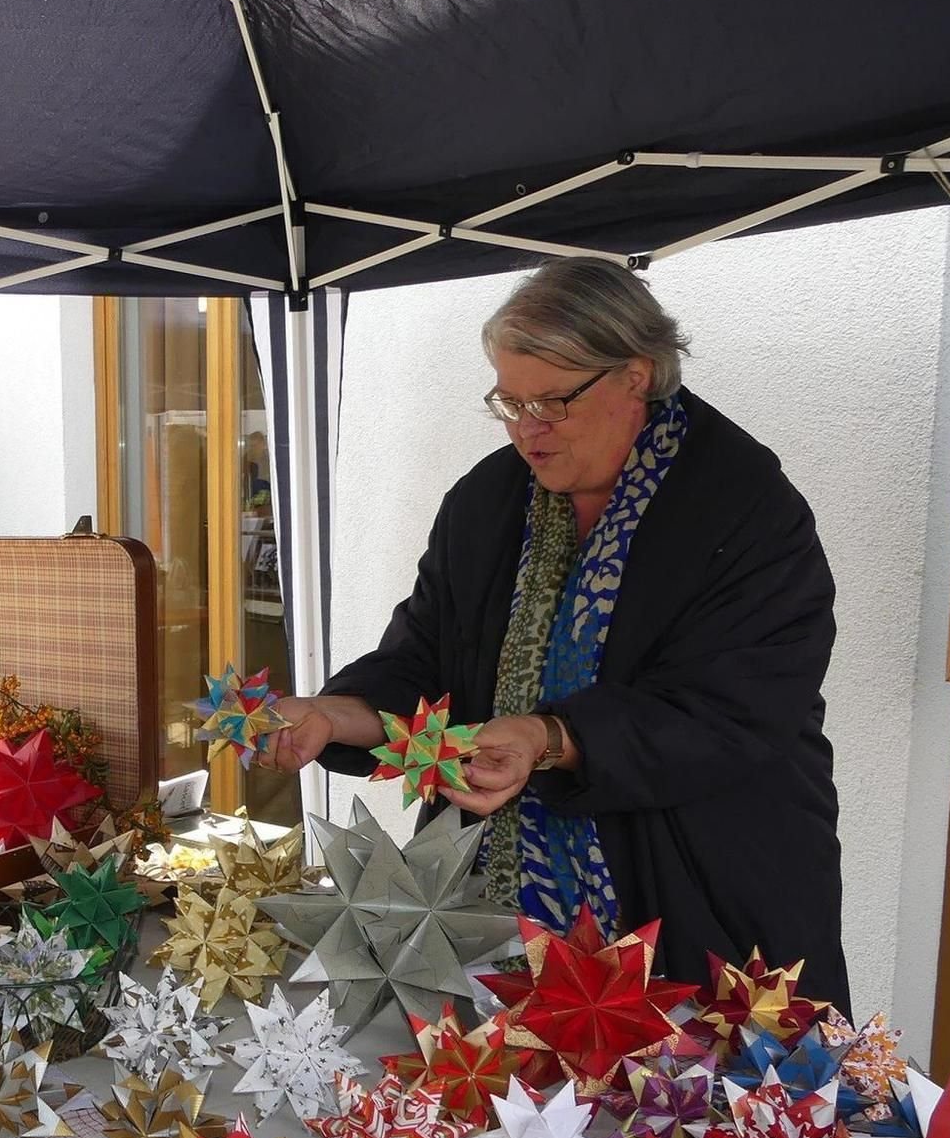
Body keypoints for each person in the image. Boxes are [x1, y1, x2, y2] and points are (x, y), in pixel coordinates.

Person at [265, 257, 850, 1012]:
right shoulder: (487, 500)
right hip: (499, 905)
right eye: (507, 402)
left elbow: (732, 709)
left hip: (704, 887)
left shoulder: (745, 509)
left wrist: (553, 737)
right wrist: (334, 714)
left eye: (551, 403)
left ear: (635, 377)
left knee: (687, 1113)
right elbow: (424, 660)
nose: (526, 431)